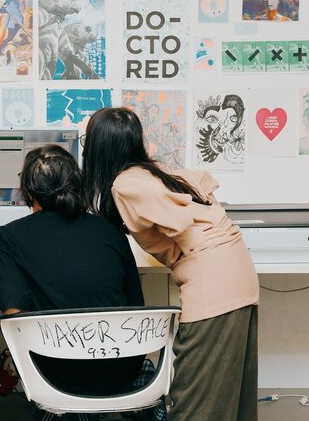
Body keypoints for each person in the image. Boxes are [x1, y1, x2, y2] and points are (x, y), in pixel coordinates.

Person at [82, 107, 259, 421]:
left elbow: (177, 223)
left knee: (195, 397)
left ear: (97, 150)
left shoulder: (125, 184)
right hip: (237, 272)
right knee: (230, 392)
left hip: (212, 283)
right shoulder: (153, 172)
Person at [0, 145, 166, 421]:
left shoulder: (7, 238)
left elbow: (15, 318)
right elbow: (135, 305)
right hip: (120, 370)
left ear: (28, 192)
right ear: (77, 186)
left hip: (56, 378)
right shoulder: (111, 232)